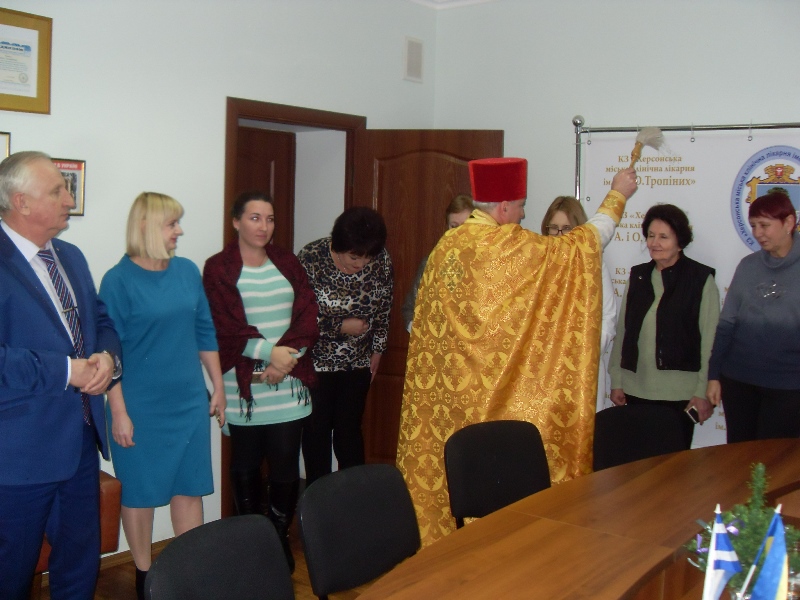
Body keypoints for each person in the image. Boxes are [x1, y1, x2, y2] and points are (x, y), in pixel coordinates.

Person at [397, 157, 638, 546]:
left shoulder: (447, 246)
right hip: (496, 403)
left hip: (453, 403)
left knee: (458, 484)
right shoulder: (509, 246)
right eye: (521, 205)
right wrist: (617, 195)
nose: (524, 214)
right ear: (505, 206)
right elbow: (586, 242)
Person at [0, 151, 122, 600]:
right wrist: (66, 370)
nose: (69, 199)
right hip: (16, 457)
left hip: (79, 446)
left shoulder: (69, 256)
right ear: (21, 202)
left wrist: (107, 358)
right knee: (10, 574)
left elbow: (102, 323)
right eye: (57, 191)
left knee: (79, 568)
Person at [99, 192, 225, 600]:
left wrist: (218, 387)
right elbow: (109, 351)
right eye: (172, 224)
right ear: (146, 227)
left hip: (187, 402)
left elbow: (204, 330)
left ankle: (189, 573)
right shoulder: (118, 280)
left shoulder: (187, 271)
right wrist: (119, 411)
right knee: (140, 494)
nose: (179, 231)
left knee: (189, 488)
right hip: (138, 406)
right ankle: (144, 577)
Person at [203, 191, 318, 573]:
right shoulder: (218, 268)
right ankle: (253, 539)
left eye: (269, 219)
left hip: (288, 383)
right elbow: (223, 326)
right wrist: (270, 353)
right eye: (254, 218)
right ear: (236, 221)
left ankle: (278, 535)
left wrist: (286, 360)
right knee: (246, 464)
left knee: (285, 465)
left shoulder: (287, 261)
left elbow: (307, 313)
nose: (263, 226)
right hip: (243, 388)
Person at [609, 204, 719, 449]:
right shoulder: (637, 277)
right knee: (638, 463)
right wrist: (617, 379)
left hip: (680, 396)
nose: (654, 243)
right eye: (650, 235)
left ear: (680, 241)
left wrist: (702, 390)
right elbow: (623, 332)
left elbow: (710, 341)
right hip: (636, 390)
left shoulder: (700, 279)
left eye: (663, 237)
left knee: (673, 466)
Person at [298, 207, 393, 486]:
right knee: (316, 432)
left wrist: (378, 349)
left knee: (349, 432)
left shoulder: (382, 260)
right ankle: (318, 498)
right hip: (316, 363)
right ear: (339, 246)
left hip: (358, 362)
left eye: (367, 257)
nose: (361, 263)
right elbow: (298, 317)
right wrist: (340, 326)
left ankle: (354, 497)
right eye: (354, 256)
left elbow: (384, 308)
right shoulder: (311, 257)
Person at [707, 190, 800, 442]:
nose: (758, 233)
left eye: (764, 225)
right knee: (740, 456)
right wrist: (713, 375)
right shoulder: (748, 266)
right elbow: (726, 324)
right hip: (738, 381)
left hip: (789, 386)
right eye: (754, 225)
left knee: (775, 459)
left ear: (789, 223)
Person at [542, 196, 617, 411]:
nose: (560, 235)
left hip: (583, 369)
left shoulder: (594, 263)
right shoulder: (538, 262)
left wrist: (583, 353)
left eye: (567, 228)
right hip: (545, 371)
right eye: (553, 228)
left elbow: (608, 317)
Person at [402, 194, 474, 331]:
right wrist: (417, 330)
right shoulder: (431, 262)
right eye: (454, 226)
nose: (459, 233)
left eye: (466, 227)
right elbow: (409, 308)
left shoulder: (489, 264)